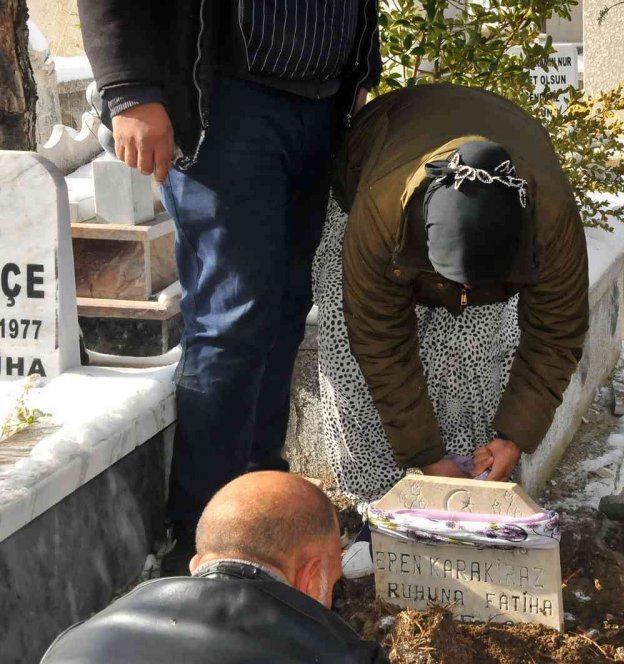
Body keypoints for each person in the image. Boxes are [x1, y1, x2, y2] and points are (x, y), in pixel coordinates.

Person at [77, 0, 381, 574]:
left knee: (286, 310)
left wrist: (362, 69)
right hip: (225, 97)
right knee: (232, 319)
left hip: (322, 103)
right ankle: (204, 542)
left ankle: (262, 516)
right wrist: (128, 88)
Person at [315, 84, 588, 504]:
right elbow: (378, 341)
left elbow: (556, 333)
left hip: (503, 136)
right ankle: (376, 502)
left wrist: (514, 437)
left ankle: (469, 489)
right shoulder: (380, 213)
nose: (465, 293)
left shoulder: (551, 220)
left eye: (476, 285)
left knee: (470, 355)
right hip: (369, 172)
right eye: (456, 280)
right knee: (349, 361)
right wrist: (425, 456)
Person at [40, 472, 389, 664]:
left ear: (196, 565)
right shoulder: (345, 657)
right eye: (333, 584)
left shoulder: (73, 645)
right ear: (310, 578)